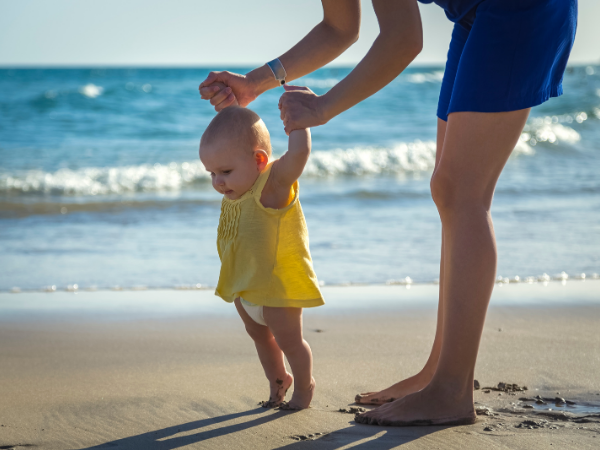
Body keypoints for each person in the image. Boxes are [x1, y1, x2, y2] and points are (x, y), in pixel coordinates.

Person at [199, 0, 577, 427]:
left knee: (461, 192)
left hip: (518, 8)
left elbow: (403, 39)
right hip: (476, 14)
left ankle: (450, 390)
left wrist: (322, 108)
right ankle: (440, 373)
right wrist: (254, 82)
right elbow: (341, 27)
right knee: (449, 191)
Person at [199, 104, 324, 410]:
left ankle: (305, 385)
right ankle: (278, 379)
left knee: (290, 343)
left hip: (277, 291)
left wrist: (299, 123)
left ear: (259, 160)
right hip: (245, 289)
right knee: (260, 338)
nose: (218, 181)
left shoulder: (271, 187)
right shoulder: (235, 193)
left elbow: (298, 156)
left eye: (225, 172)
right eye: (212, 173)